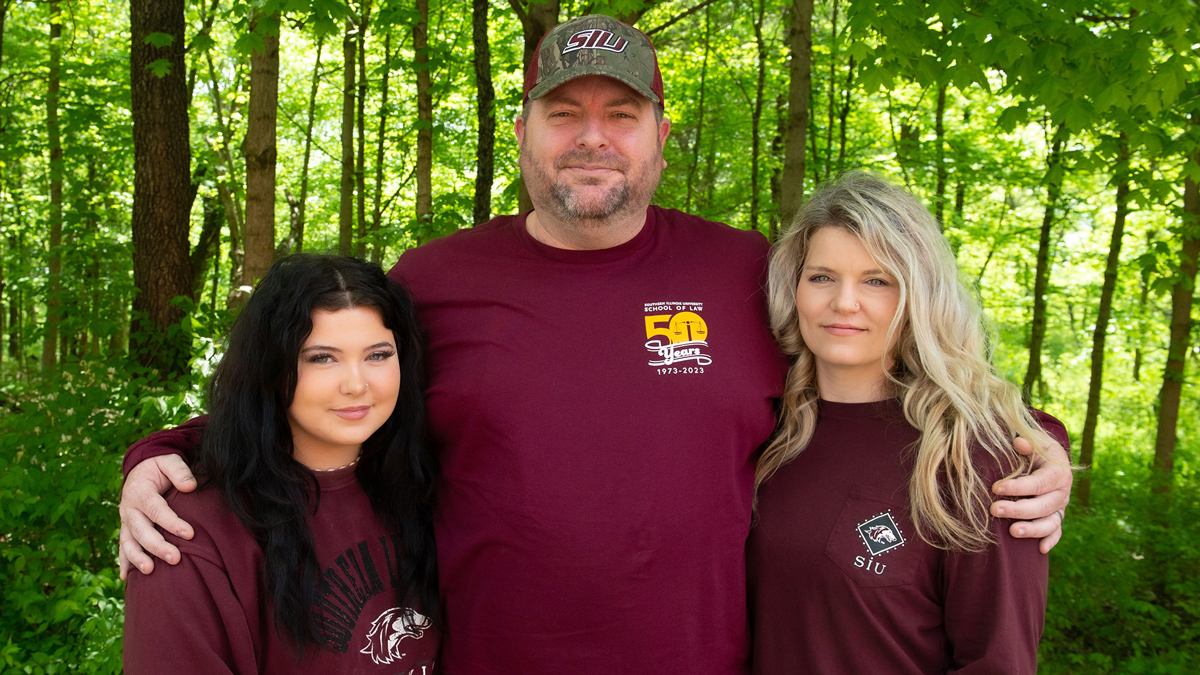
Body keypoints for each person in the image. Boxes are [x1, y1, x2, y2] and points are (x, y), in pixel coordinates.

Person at [119, 15, 1073, 675]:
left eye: (620, 115)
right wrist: (164, 453)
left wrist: (1034, 439)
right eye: (564, 113)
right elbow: (332, 393)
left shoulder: (746, 271)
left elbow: (886, 360)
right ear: (526, 128)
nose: (593, 139)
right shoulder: (439, 277)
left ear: (660, 132)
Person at [747, 173, 1070, 674]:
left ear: (918, 296)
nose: (844, 302)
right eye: (822, 276)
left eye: (877, 280)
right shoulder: (761, 429)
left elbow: (997, 662)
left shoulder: (974, 459)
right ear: (795, 287)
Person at [123, 255, 440, 674]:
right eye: (322, 358)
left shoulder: (428, 482)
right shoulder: (188, 535)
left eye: (378, 355)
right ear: (270, 368)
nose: (357, 384)